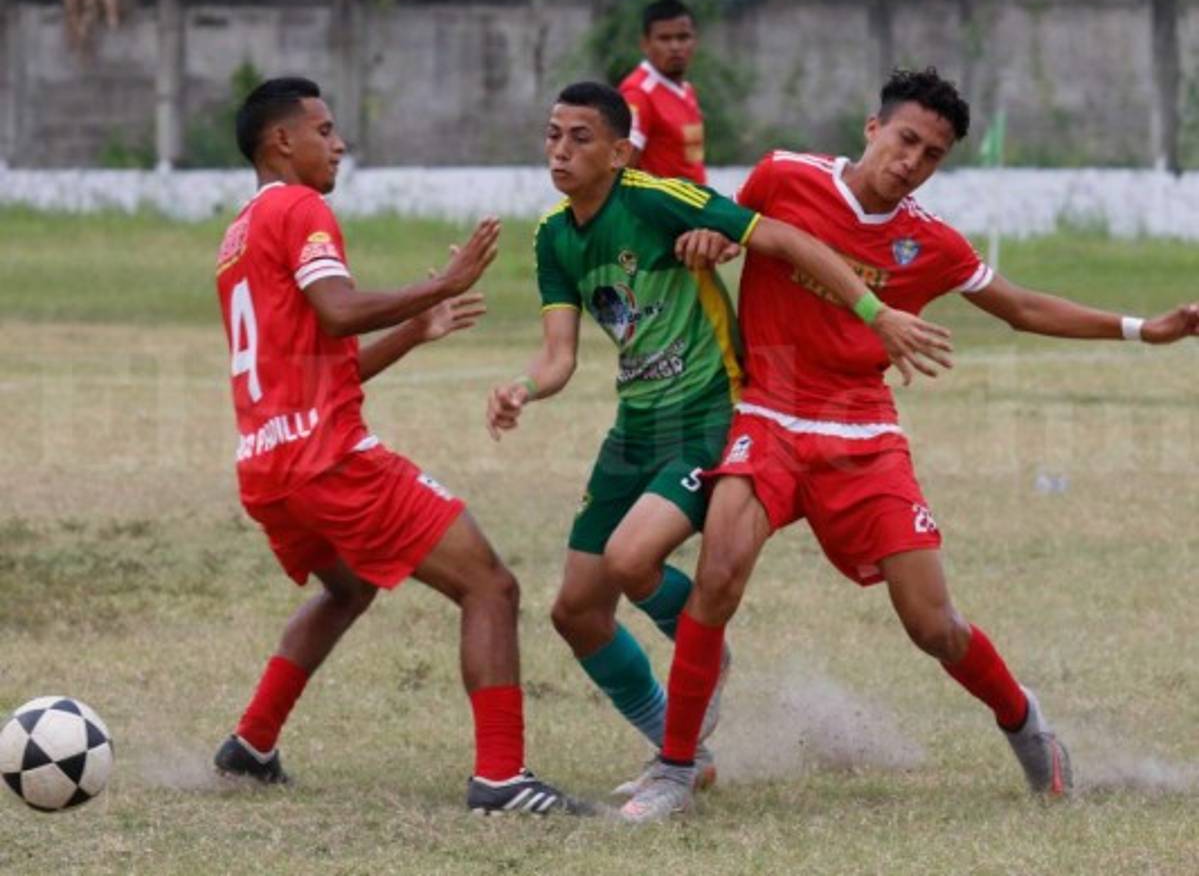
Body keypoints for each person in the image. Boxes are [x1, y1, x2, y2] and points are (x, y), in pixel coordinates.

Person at [618, 66, 1199, 822]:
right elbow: (730, 226)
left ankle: (1026, 723)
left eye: (930, 154)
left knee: (932, 624)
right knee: (719, 572)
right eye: (904, 140)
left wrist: (1140, 329)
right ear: (872, 128)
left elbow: (1018, 306)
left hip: (863, 433)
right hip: (769, 413)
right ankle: (675, 765)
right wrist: (709, 238)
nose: (911, 162)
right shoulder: (783, 176)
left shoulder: (926, 241)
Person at [485, 81, 952, 797]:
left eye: (580, 137)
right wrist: (523, 388)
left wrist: (871, 310)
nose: (560, 150)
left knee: (630, 559)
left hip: (709, 414)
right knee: (574, 610)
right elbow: (559, 355)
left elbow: (785, 237)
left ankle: (704, 650)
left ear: (617, 152)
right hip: (634, 425)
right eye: (552, 134)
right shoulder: (553, 235)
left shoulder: (652, 196)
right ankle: (682, 746)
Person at [211, 76, 585, 816]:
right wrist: (439, 283)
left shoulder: (237, 236)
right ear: (281, 141)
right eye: (323, 129)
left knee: (347, 588)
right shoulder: (300, 206)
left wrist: (414, 329)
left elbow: (324, 361)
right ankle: (502, 779)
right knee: (490, 586)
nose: (338, 142)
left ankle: (250, 745)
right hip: (328, 460)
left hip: (267, 465)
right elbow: (339, 309)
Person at [618, 0, 706, 182]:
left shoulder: (687, 90)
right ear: (645, 44)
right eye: (664, 39)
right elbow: (622, 169)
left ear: (695, 40)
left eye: (683, 37)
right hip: (662, 209)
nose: (675, 46)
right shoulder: (638, 94)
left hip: (693, 207)